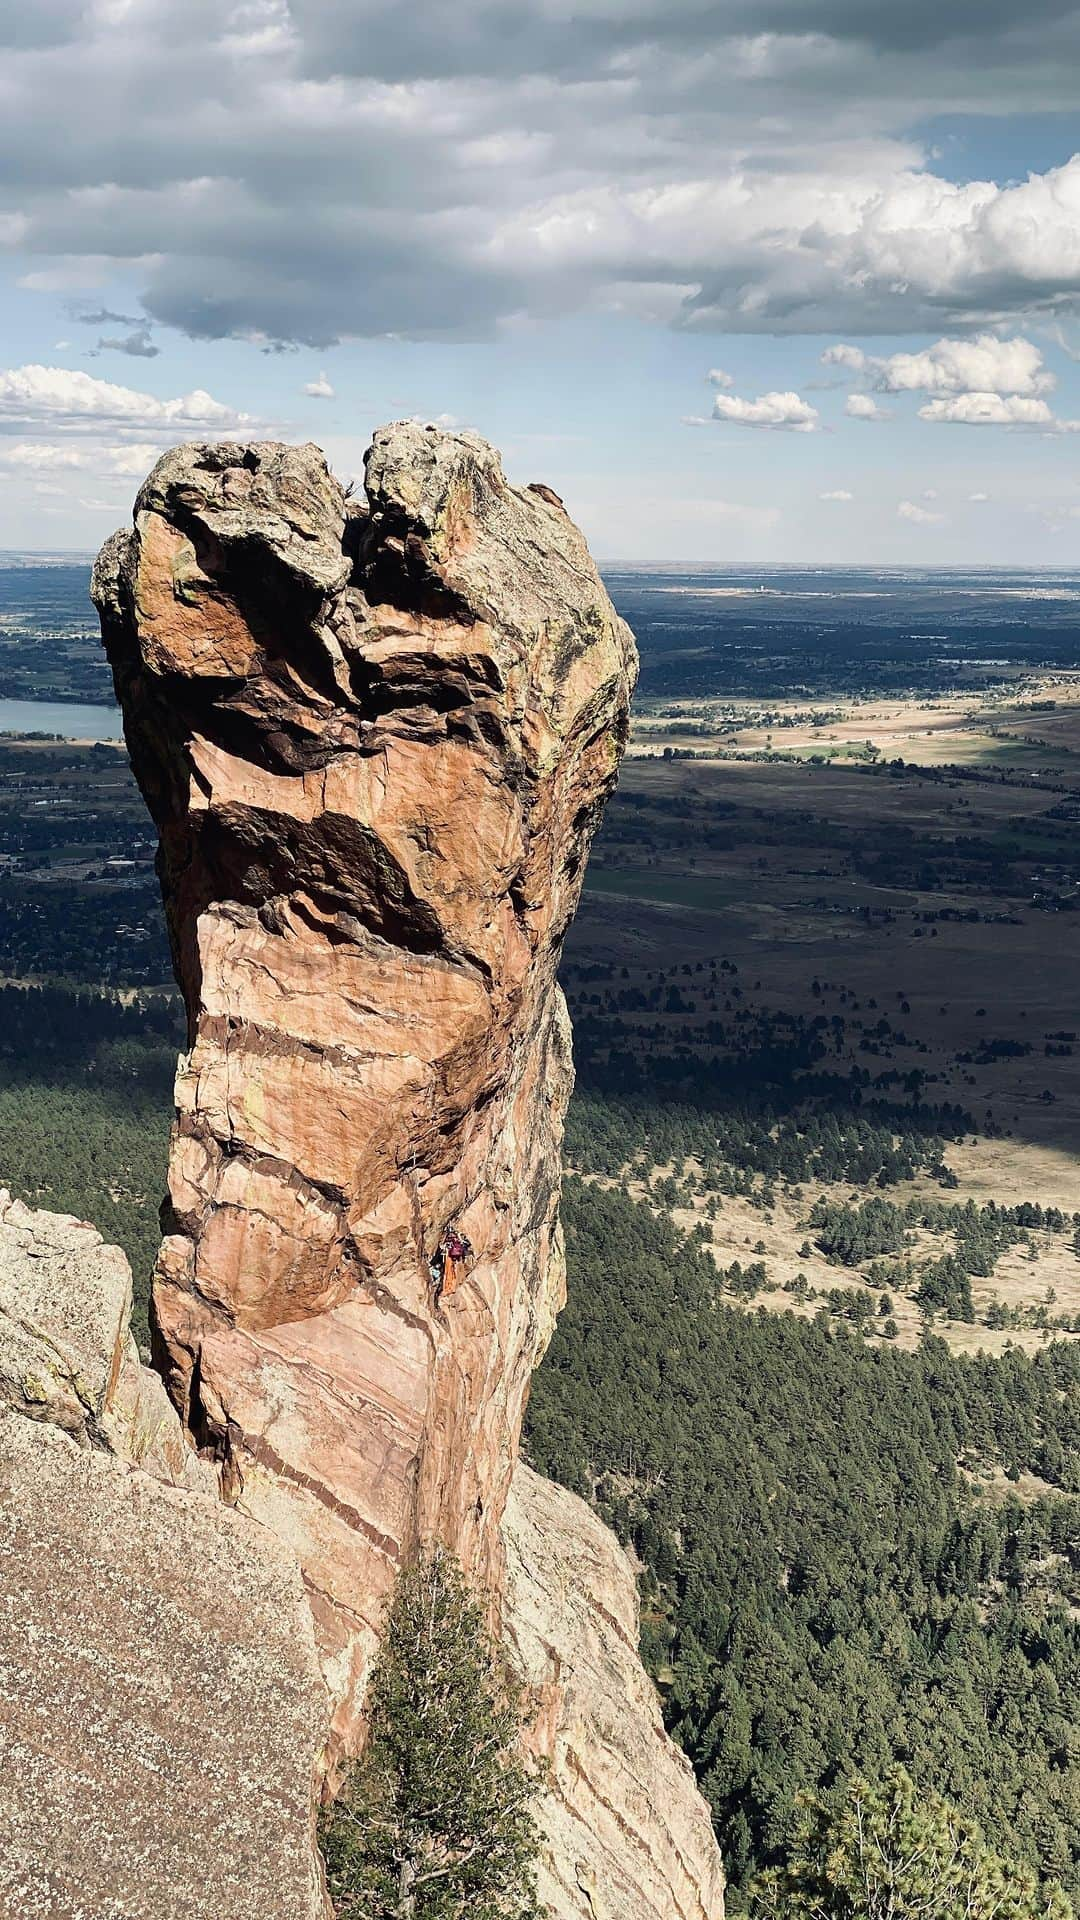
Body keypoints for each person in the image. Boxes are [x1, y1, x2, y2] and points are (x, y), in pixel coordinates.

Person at [439, 1222, 473, 1301]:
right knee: (454, 1272)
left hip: (449, 1256)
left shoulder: (448, 1238)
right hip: (458, 1257)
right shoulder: (458, 1237)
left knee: (449, 1272)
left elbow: (442, 1247)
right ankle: (452, 1287)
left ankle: (448, 1288)